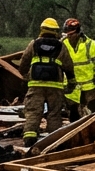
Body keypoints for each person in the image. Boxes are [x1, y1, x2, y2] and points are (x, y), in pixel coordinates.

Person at [18, 18, 76, 147]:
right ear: (56, 31)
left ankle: (29, 139)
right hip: (55, 87)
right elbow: (69, 66)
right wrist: (71, 83)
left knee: (33, 112)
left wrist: (26, 76)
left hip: (35, 85)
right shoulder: (61, 46)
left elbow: (23, 63)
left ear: (42, 29)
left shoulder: (34, 44)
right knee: (54, 114)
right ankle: (53, 141)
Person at [62, 18, 95, 116]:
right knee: (74, 114)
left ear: (78, 32)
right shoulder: (63, 44)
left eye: (71, 34)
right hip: (72, 86)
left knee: (93, 113)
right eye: (67, 34)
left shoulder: (89, 44)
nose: (69, 36)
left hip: (90, 86)